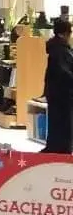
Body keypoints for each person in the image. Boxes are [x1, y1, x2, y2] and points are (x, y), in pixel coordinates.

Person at [42, 18, 73, 154]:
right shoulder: (61, 50)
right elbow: (64, 72)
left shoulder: (56, 48)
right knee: (64, 124)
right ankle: (61, 151)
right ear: (66, 33)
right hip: (63, 94)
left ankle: (55, 148)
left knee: (56, 123)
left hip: (55, 92)